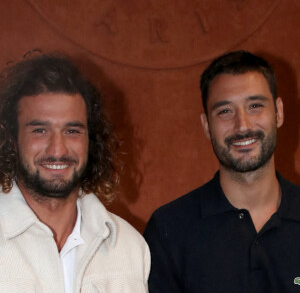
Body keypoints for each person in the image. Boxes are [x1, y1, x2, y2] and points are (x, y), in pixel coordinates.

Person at [144, 50, 300, 293]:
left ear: (278, 112)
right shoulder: (170, 230)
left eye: (255, 106)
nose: (243, 125)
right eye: (225, 111)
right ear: (207, 125)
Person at [0, 53, 150, 292]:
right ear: (12, 140)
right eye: (40, 130)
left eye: (72, 131)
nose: (57, 149)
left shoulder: (130, 247)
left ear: (92, 140)